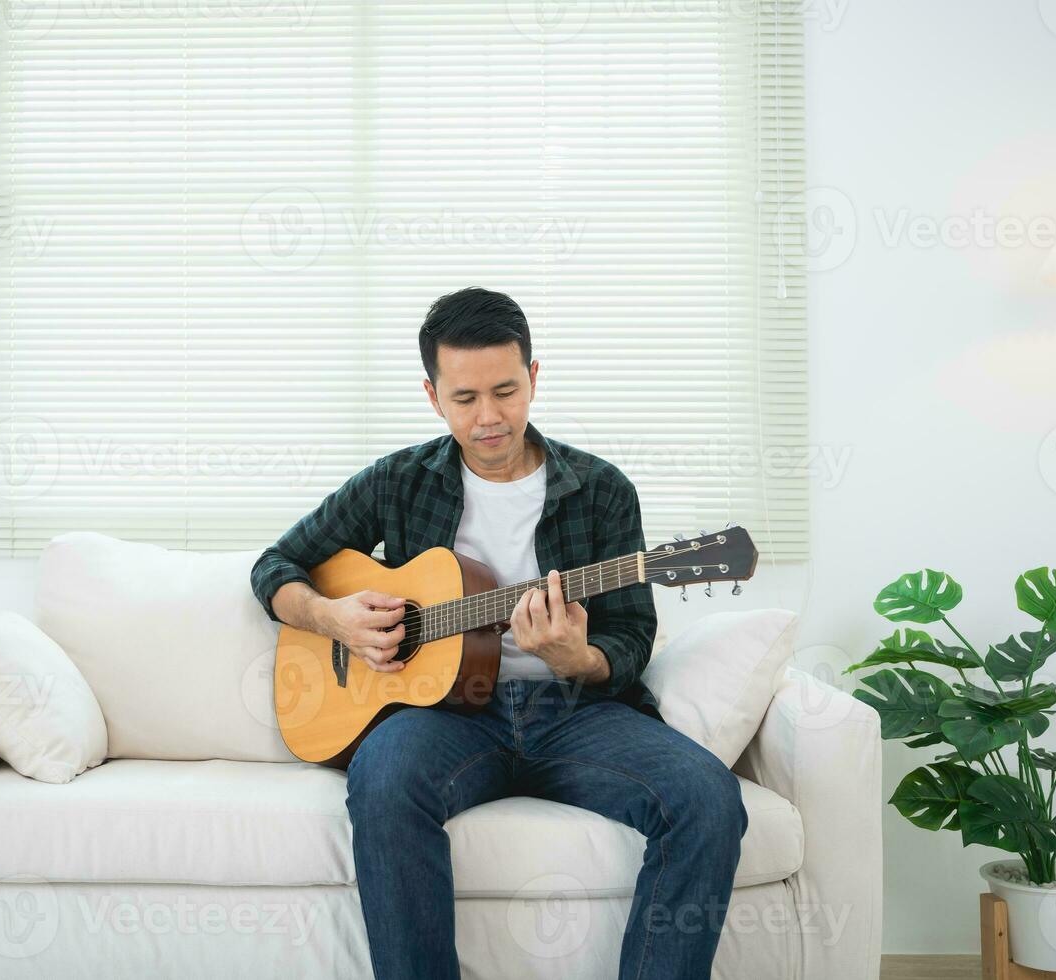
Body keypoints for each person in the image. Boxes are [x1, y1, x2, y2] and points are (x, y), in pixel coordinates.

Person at [250, 287, 747, 979]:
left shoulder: (602, 490)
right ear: (433, 396)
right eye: (465, 398)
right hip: (444, 718)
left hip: (577, 715)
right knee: (383, 779)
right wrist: (332, 618)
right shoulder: (398, 481)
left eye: (506, 391)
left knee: (709, 799)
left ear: (534, 378)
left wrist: (582, 658)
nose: (489, 417)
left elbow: (631, 635)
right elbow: (275, 566)